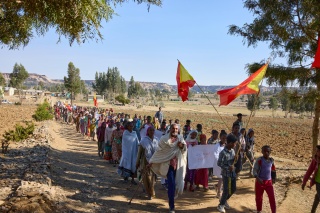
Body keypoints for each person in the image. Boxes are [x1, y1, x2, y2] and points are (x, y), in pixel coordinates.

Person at [149, 123, 187, 213]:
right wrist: (152, 161)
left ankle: (172, 201)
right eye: (173, 129)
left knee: (177, 184)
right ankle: (172, 206)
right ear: (170, 129)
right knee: (171, 185)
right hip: (168, 166)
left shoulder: (180, 138)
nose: (175, 130)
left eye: (177, 129)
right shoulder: (164, 139)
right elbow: (159, 152)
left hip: (178, 166)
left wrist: (182, 146)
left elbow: (185, 150)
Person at [136, 126, 159, 200]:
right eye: (150, 130)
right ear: (148, 132)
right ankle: (150, 193)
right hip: (145, 163)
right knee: (147, 179)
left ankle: (151, 191)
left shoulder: (156, 140)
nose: (152, 132)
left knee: (153, 179)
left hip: (154, 163)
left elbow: (159, 151)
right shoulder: (143, 141)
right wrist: (137, 162)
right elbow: (139, 153)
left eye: (153, 130)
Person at [217, 134, 237, 213]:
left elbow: (233, 162)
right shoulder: (222, 152)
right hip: (226, 174)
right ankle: (220, 205)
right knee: (226, 190)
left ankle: (224, 200)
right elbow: (219, 163)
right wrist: (227, 167)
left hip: (233, 173)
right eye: (234, 143)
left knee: (233, 189)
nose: (235, 145)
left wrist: (236, 159)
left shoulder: (232, 151)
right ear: (230, 143)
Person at [253, 145, 276, 213]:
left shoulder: (271, 161)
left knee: (272, 197)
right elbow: (254, 170)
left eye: (268, 151)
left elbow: (273, 170)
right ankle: (259, 210)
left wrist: (274, 178)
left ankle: (274, 211)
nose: (266, 153)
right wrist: (257, 178)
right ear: (262, 152)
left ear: (270, 152)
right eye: (265, 151)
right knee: (259, 198)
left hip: (268, 182)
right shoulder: (259, 160)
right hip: (260, 182)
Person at [302, 145, 320, 213]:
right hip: (318, 182)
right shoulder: (315, 160)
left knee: (318, 197)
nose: (316, 152)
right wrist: (304, 182)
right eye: (316, 150)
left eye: (317, 151)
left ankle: (312, 211)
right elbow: (309, 171)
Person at [212, 130, 227, 199]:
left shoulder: (226, 146)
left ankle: (217, 186)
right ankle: (219, 193)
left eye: (225, 138)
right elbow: (215, 155)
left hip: (225, 164)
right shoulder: (217, 146)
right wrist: (221, 162)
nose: (224, 140)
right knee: (221, 177)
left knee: (223, 178)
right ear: (220, 138)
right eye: (223, 138)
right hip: (219, 164)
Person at [194, 124, 209, 191]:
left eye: (205, 139)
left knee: (205, 174)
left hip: (205, 163)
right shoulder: (198, 146)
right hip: (199, 163)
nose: (204, 140)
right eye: (203, 139)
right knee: (198, 174)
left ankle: (205, 186)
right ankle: (197, 185)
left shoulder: (207, 146)